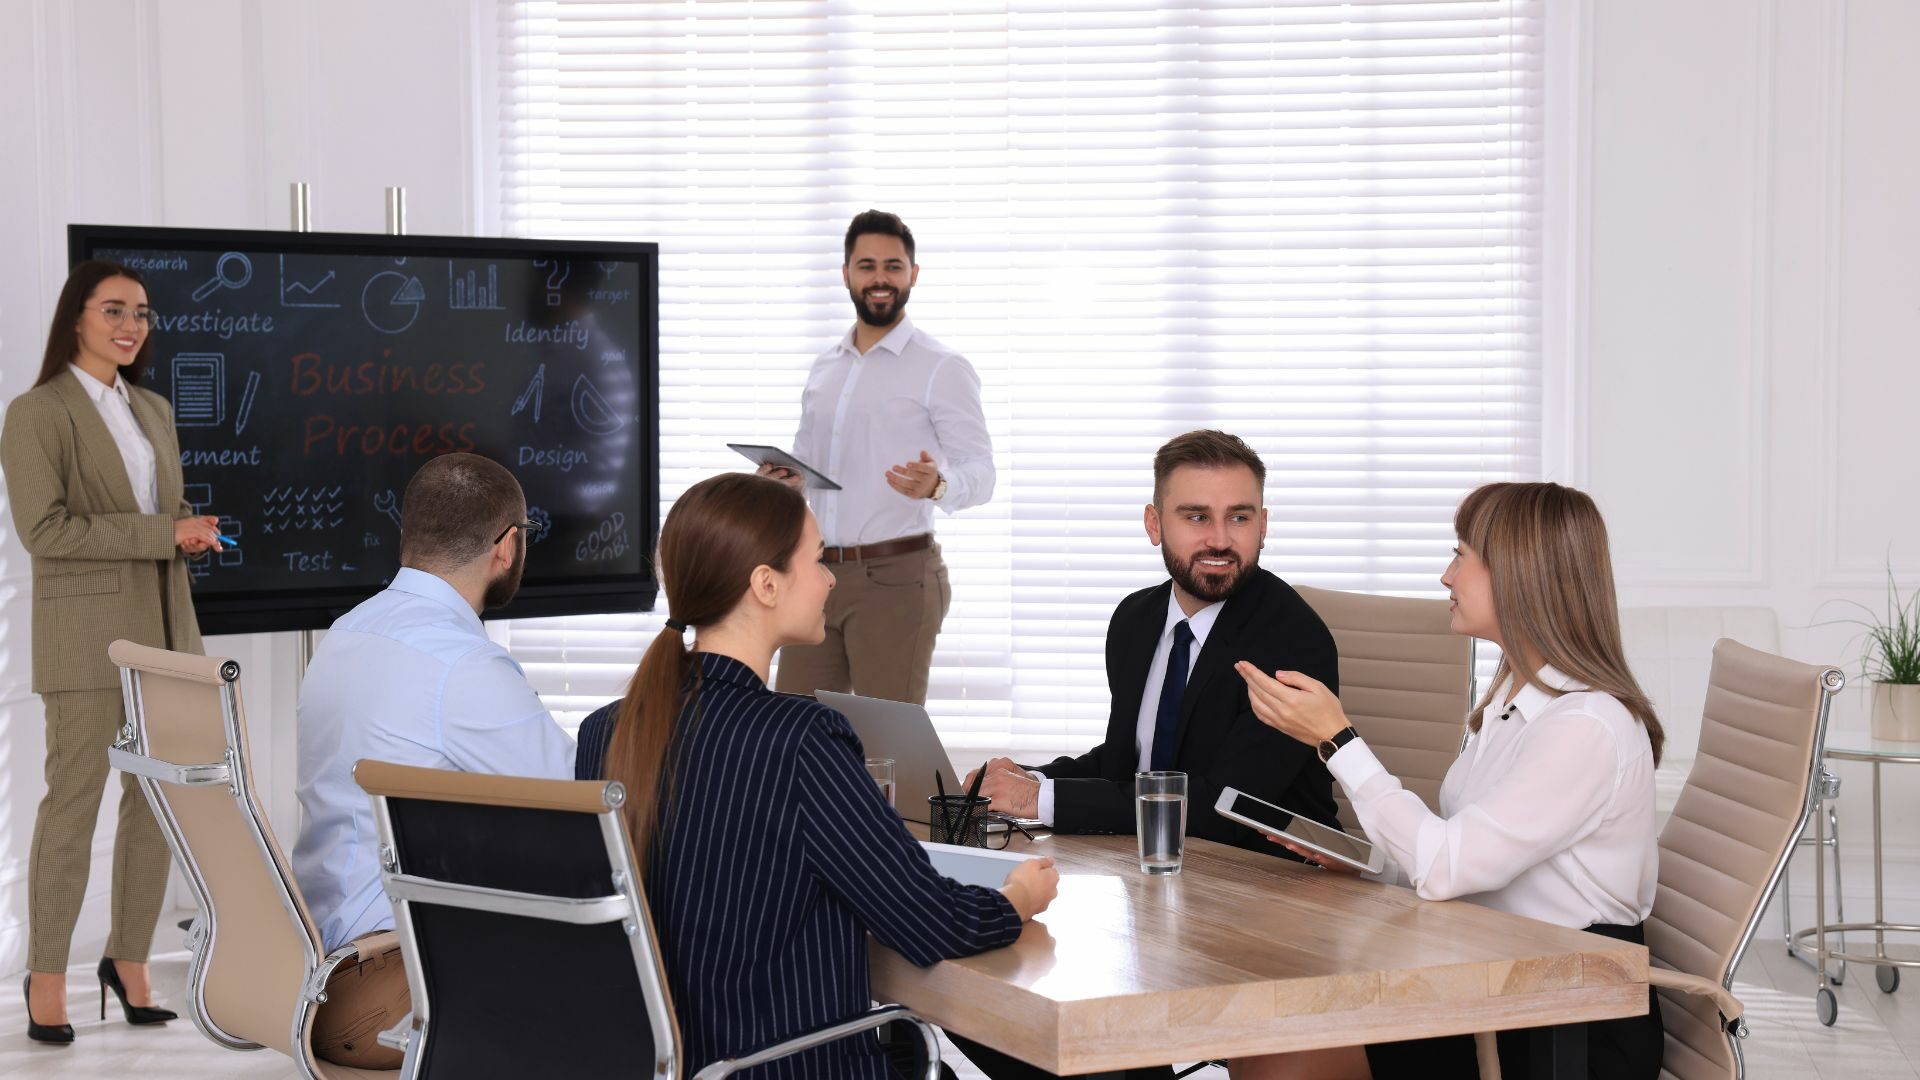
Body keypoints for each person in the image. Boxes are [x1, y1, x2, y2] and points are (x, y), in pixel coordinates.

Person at [575, 471, 1058, 1079]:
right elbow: (926, 920)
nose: (832, 578)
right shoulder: (801, 737)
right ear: (766, 585)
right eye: (819, 559)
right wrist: (1015, 899)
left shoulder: (604, 732)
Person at [1231, 482, 1664, 1080]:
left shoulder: (1587, 726)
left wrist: (1337, 739)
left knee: (1280, 1049)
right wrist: (1366, 862)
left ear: (1519, 574)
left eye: (1462, 555)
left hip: (1561, 1015)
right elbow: (1462, 860)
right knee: (1265, 1032)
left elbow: (1447, 868)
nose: (1445, 576)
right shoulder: (1514, 700)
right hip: (1487, 976)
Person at [951, 429, 1340, 1080]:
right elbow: (1128, 763)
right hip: (1158, 885)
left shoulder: (1288, 635)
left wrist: (1041, 799)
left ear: (1264, 525)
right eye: (1196, 517)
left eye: (1238, 517)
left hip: (1262, 895)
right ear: (1154, 524)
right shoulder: (1136, 620)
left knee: (1049, 991)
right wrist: (1025, 779)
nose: (1219, 539)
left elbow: (1221, 806)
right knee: (986, 978)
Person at [1, 260, 226, 1044]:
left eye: (141, 313)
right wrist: (164, 533)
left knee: (157, 803)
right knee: (73, 808)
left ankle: (129, 962)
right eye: (113, 311)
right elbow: (46, 531)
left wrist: (190, 529)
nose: (131, 325)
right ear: (76, 318)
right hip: (86, 642)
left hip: (166, 632)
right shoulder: (36, 413)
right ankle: (47, 975)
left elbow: (161, 511)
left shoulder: (154, 409)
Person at [291, 452, 576, 1069]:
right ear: (507, 547)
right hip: (384, 992)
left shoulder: (345, 633)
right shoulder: (464, 665)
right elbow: (584, 801)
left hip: (311, 971)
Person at [762, 209, 994, 706]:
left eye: (893, 265)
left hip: (896, 580)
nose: (880, 277)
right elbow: (810, 466)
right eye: (867, 266)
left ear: (913, 273)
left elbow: (981, 473)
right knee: (791, 726)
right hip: (815, 574)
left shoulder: (942, 367)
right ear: (846, 274)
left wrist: (938, 485)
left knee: (887, 745)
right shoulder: (826, 367)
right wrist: (786, 479)